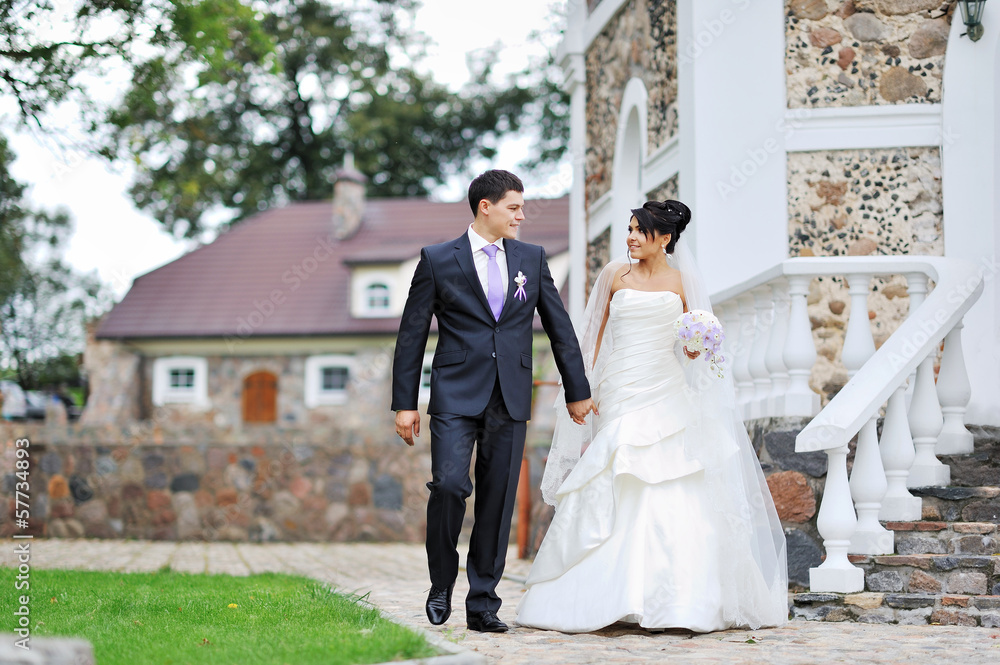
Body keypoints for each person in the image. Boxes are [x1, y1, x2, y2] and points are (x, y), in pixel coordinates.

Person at [515, 200, 788, 633]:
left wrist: (698, 344)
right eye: (629, 229)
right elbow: (590, 338)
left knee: (674, 479)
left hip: (667, 387)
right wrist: (580, 391)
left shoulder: (683, 283)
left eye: (641, 231)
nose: (631, 238)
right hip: (621, 388)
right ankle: (604, 597)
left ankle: (677, 600)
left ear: (665, 239)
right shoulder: (613, 275)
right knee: (617, 468)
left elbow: (693, 350)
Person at [391, 169, 596, 633]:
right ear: (486, 206)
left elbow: (560, 328)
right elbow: (411, 336)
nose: (521, 216)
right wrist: (405, 402)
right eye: (514, 207)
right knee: (447, 485)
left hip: (511, 393)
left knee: (497, 501)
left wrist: (577, 390)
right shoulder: (438, 259)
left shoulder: (532, 257)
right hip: (454, 394)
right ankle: (441, 581)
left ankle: (483, 603)